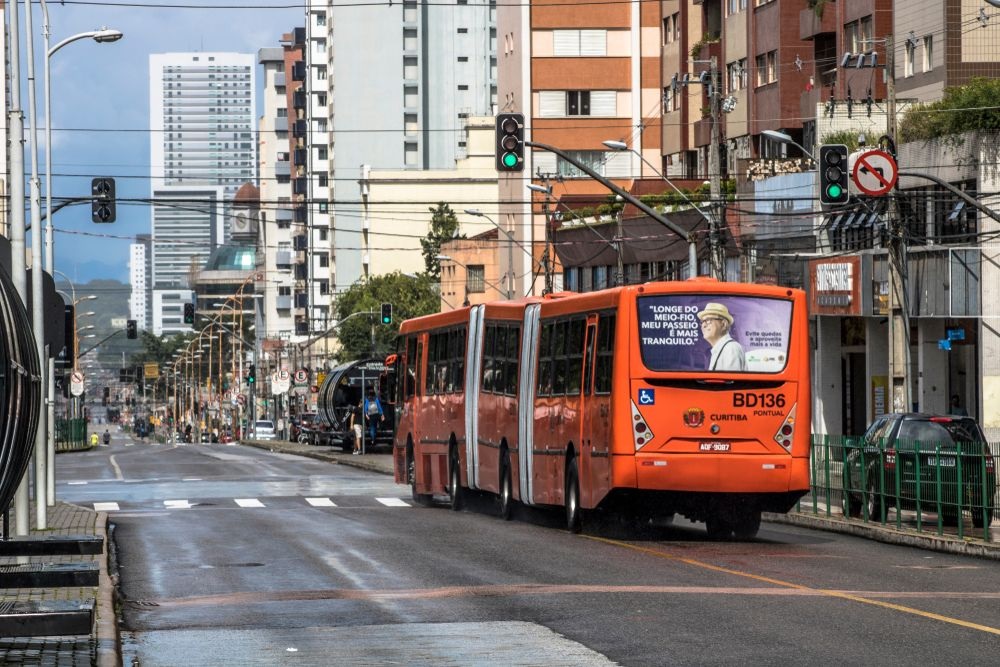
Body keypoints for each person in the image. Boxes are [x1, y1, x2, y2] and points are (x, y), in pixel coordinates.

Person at [698, 302, 746, 372]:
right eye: (702, 322)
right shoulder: (718, 350)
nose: (703, 325)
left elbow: (731, 378)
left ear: (723, 324)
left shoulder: (730, 348)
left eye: (708, 320)